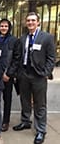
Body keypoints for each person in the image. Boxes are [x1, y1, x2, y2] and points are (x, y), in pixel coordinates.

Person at [13, 12, 55, 144]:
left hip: (38, 75)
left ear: (38, 22)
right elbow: (19, 56)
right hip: (24, 73)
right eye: (28, 21)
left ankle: (41, 130)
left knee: (40, 103)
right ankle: (25, 121)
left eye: (33, 20)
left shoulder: (47, 37)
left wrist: (46, 72)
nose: (30, 23)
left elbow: (51, 57)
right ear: (26, 23)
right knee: (25, 100)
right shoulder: (23, 37)